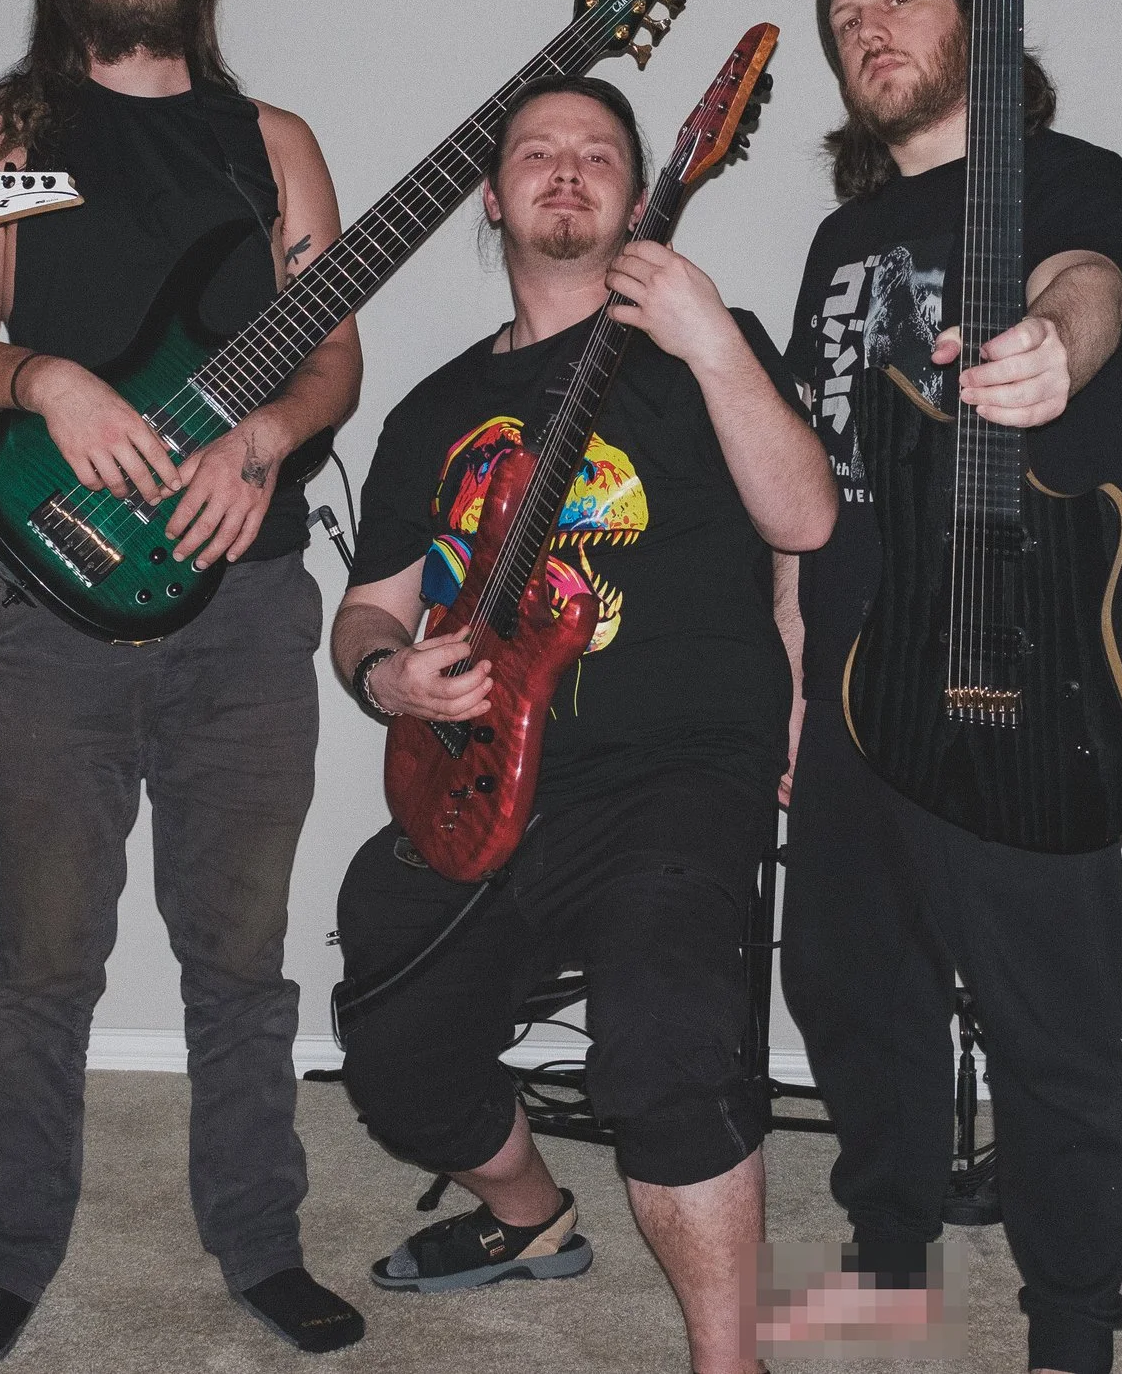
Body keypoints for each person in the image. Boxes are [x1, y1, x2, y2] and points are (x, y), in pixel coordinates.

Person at [0, 0, 364, 1366]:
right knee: (44, 955)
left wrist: (270, 437)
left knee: (239, 955)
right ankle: (11, 1255)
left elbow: (331, 354)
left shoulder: (274, 141)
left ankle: (261, 1243)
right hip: (54, 599)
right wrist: (49, 380)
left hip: (247, 601)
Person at [329, 75, 836, 1374]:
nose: (566, 168)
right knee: (390, 1037)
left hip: (673, 771)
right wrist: (392, 678)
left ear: (644, 186)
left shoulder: (706, 348)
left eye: (598, 151)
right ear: (490, 200)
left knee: (667, 1038)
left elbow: (806, 520)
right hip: (477, 774)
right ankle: (529, 1214)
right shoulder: (431, 411)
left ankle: (733, 1358)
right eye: (535, 152)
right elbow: (366, 613)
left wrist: (714, 336)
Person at [768, 0, 1122, 1374]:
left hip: (1011, 671)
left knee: (1051, 1027)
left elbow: (1091, 286)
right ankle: (884, 1272)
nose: (868, 25)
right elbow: (812, 480)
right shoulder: (837, 239)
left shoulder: (1077, 180)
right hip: (857, 670)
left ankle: (1070, 1329)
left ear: (979, 26)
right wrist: (798, 673)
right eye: (845, 13)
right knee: (853, 997)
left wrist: (1055, 342)